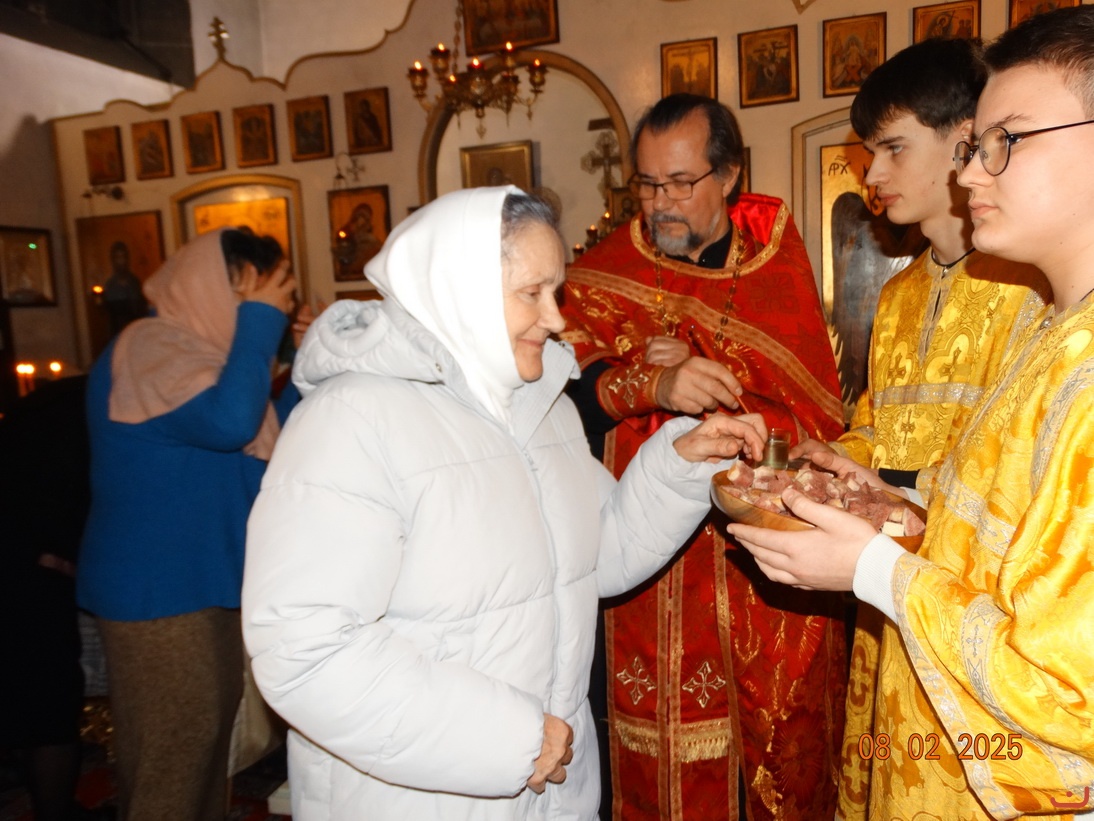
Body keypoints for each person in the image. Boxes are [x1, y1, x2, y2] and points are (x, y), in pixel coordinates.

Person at [240, 186, 769, 820]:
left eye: (556, 292)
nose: (555, 319)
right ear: (458, 291)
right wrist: (508, 740)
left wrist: (679, 464)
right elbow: (305, 649)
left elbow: (599, 556)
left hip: (550, 790)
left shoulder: (540, 405)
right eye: (531, 293)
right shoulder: (351, 419)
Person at [730, 6, 1094, 818]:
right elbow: (940, 462)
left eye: (1003, 143)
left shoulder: (1035, 306)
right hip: (921, 608)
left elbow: (1065, 688)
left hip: (974, 668)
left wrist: (873, 554)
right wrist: (841, 469)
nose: (972, 173)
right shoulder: (1021, 321)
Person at [559, 93, 847, 819]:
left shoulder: (775, 269)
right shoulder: (604, 271)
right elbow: (560, 396)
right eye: (648, 183)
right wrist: (645, 379)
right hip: (634, 558)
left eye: (681, 183)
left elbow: (815, 420)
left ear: (729, 175)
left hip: (740, 567)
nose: (661, 203)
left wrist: (716, 384)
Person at [787, 38, 1051, 820]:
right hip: (885, 589)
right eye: (869, 153)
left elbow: (1019, 472)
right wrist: (833, 460)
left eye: (893, 148)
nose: (871, 175)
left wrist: (890, 498)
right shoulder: (899, 296)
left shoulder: (1032, 290)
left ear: (965, 141)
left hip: (969, 605)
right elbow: (880, 425)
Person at [77, 227, 311, 820]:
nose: (262, 308)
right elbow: (231, 424)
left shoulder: (210, 362)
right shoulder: (150, 344)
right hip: (158, 593)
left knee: (205, 755)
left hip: (202, 583)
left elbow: (272, 444)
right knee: (172, 764)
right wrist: (261, 324)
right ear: (205, 283)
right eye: (248, 292)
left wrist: (307, 359)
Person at [0, 376, 103, 821]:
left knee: (32, 702)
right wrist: (57, 554)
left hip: (24, 562)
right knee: (50, 709)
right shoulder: (87, 407)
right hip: (31, 573)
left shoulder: (53, 403)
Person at [101, 241, 148, 337]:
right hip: (116, 333)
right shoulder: (110, 285)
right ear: (113, 260)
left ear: (127, 259)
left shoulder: (134, 282)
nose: (121, 261)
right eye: (117, 257)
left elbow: (140, 310)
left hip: (135, 333)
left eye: (123, 257)